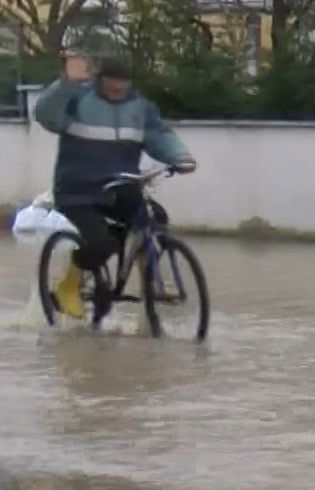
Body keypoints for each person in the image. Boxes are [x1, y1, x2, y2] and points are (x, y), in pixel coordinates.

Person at [32, 53, 196, 320]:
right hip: (78, 191)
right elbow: (46, 115)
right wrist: (65, 83)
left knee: (154, 218)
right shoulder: (78, 98)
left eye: (122, 81)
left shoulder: (139, 107)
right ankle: (67, 286)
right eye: (111, 80)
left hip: (120, 187)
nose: (117, 87)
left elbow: (158, 135)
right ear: (100, 79)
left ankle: (149, 284)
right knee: (101, 243)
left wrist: (181, 158)